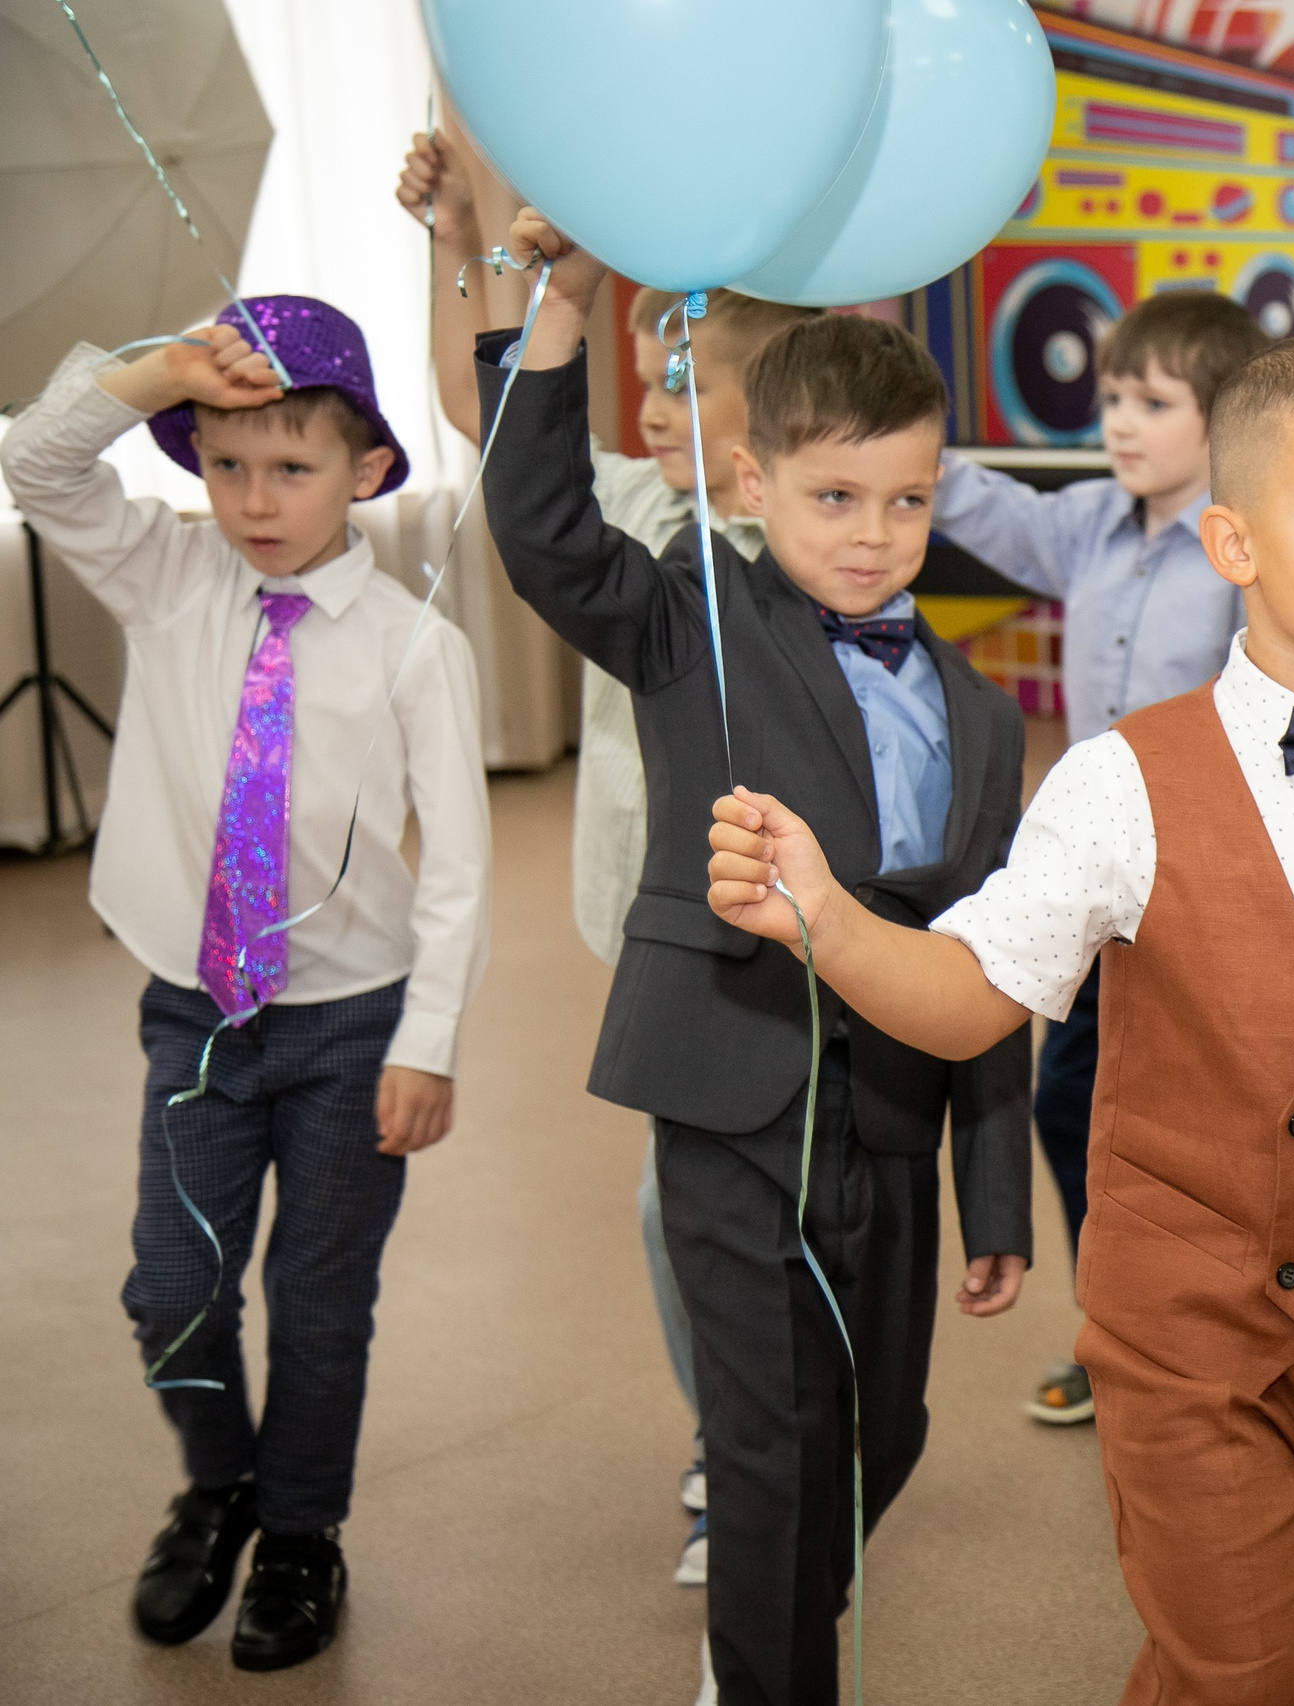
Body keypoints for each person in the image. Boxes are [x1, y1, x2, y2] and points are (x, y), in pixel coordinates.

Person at [704, 334, 1294, 1705]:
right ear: (1232, 540)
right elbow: (974, 992)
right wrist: (832, 918)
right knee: (1240, 1671)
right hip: (1193, 1340)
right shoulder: (1120, 782)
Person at [483, 209, 1034, 1706]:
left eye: (907, 500)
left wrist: (995, 1190)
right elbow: (539, 531)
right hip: (730, 1088)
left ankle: (782, 1604)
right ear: (750, 481)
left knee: (884, 1425)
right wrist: (558, 309)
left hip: (896, 1120)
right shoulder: (695, 617)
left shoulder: (983, 714)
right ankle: (771, 1667)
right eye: (835, 494)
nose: (872, 531)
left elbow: (996, 964)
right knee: (767, 1443)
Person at [1, 299, 491, 1670]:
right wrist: (156, 373)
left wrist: (430, 1040)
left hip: (353, 1024)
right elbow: (37, 464)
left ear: (368, 471)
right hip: (198, 1011)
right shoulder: (167, 575)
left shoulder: (414, 646)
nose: (256, 500)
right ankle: (219, 1482)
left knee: (323, 1295)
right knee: (173, 1284)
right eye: (225, 465)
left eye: (292, 466)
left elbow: (456, 865)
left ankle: (301, 1532)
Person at [398, 131, 823, 1580]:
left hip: (821, 930)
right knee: (683, 1204)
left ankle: (800, 1424)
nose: (652, 411)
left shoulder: (826, 549)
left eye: (690, 386)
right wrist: (469, 238)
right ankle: (735, 1443)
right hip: (676, 941)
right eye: (647, 381)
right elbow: (490, 406)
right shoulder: (642, 518)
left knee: (822, 1191)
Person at [926, 288, 1269, 1424]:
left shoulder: (1242, 552)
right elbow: (969, 499)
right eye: (1112, 396)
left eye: (1153, 401)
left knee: (1215, 1118)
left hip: (1210, 888)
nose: (1120, 420)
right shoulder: (1088, 525)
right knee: (1072, 1102)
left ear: (1220, 423)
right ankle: (1115, 1325)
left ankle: (1227, 1328)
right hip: (1091, 880)